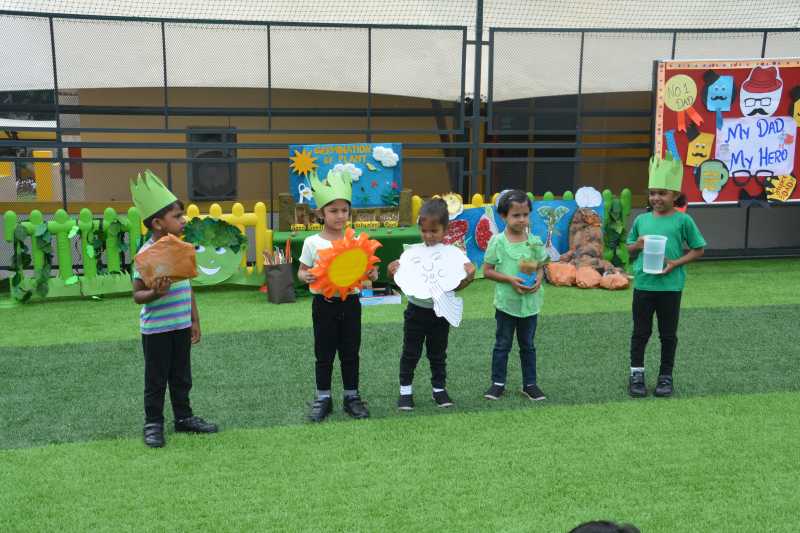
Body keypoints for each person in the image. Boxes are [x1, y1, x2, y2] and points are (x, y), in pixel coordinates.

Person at [131, 170, 218, 448]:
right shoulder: (145, 256)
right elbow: (137, 295)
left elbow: (187, 287)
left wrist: (194, 320)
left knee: (182, 376)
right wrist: (154, 293)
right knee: (156, 379)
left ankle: (183, 417)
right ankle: (153, 423)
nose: (183, 220)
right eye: (177, 216)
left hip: (180, 325)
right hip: (156, 330)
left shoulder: (181, 249)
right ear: (158, 223)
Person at [297, 169, 378, 422]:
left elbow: (368, 271)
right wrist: (306, 276)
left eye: (344, 210)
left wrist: (372, 274)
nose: (340, 215)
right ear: (321, 213)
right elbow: (301, 271)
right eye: (333, 210)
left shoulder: (356, 241)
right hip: (324, 304)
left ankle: (352, 397)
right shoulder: (312, 242)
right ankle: (323, 397)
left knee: (350, 352)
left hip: (351, 303)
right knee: (324, 353)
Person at [626, 154, 706, 397]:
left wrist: (675, 263)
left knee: (668, 335)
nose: (656, 198)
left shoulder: (683, 220)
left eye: (662, 193)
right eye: (652, 193)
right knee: (640, 333)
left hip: (670, 287)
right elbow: (629, 248)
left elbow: (698, 249)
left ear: (675, 195)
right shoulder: (641, 220)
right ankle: (636, 375)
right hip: (644, 285)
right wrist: (637, 244)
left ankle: (665, 376)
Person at [387, 198, 476, 411]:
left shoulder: (453, 256)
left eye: (434, 231)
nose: (428, 235)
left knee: (438, 353)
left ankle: (439, 389)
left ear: (445, 230)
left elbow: (454, 286)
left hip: (441, 312)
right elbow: (403, 282)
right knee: (410, 352)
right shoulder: (411, 254)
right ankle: (405, 391)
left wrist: (468, 278)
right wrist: (391, 273)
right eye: (424, 230)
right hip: (416, 312)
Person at [482, 189, 550, 401]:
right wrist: (510, 280)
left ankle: (530, 384)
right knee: (502, 345)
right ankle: (497, 383)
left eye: (525, 215)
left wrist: (539, 278)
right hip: (507, 305)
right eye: (516, 215)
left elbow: (541, 266)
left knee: (528, 345)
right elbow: (487, 271)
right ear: (503, 216)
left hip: (529, 305)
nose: (521, 219)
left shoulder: (535, 242)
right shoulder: (497, 242)